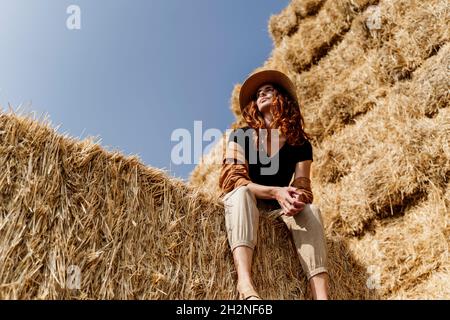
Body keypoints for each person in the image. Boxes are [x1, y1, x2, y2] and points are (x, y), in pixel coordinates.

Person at [219, 69, 329, 300]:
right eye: (258, 93)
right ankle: (245, 284)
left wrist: (297, 199)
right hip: (246, 201)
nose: (262, 94)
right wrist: (275, 191)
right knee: (241, 195)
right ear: (253, 105)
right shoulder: (240, 136)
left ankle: (321, 296)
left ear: (283, 100)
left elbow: (303, 186)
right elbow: (233, 180)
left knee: (312, 211)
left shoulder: (300, 144)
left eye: (269, 90)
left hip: (276, 209)